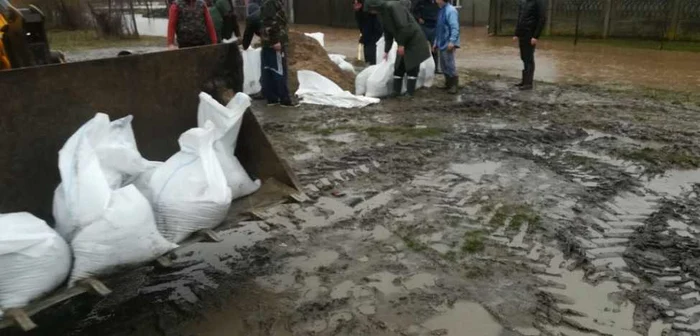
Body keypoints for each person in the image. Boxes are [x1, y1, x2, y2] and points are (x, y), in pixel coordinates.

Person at [365, 0, 431, 97]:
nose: (371, 12)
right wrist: (386, 50)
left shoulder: (393, 7)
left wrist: (401, 44)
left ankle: (410, 92)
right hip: (403, 40)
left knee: (412, 65)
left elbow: (404, 27)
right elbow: (388, 33)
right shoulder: (382, 14)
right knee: (399, 65)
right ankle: (396, 91)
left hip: (413, 39)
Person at [260, 0, 297, 107]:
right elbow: (269, 22)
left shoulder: (271, 3)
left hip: (268, 43)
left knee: (269, 70)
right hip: (274, 44)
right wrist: (275, 40)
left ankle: (272, 98)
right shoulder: (272, 3)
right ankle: (284, 99)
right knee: (279, 71)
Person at [513, 0, 547, 91]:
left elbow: (542, 19)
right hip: (522, 34)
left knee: (529, 58)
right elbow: (520, 18)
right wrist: (516, 33)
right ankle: (524, 81)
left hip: (530, 34)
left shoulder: (538, 2)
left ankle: (528, 83)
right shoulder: (523, 2)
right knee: (524, 57)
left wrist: (535, 36)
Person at [434, 0, 459, 94]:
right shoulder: (441, 10)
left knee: (449, 63)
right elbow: (438, 28)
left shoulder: (451, 11)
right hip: (441, 41)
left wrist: (452, 41)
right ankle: (448, 83)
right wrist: (435, 43)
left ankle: (454, 85)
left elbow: (454, 27)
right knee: (443, 64)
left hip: (448, 42)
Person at [412, 0, 439, 73]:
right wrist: (418, 18)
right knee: (421, 47)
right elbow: (414, 11)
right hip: (424, 26)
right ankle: (421, 67)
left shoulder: (437, 2)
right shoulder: (421, 2)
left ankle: (435, 68)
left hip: (435, 26)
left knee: (435, 48)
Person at [353, 0, 382, 65]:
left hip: (374, 37)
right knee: (368, 55)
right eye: (354, 4)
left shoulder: (367, 14)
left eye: (358, 4)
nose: (356, 6)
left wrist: (363, 38)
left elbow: (368, 28)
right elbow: (362, 27)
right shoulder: (358, 13)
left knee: (371, 57)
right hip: (368, 37)